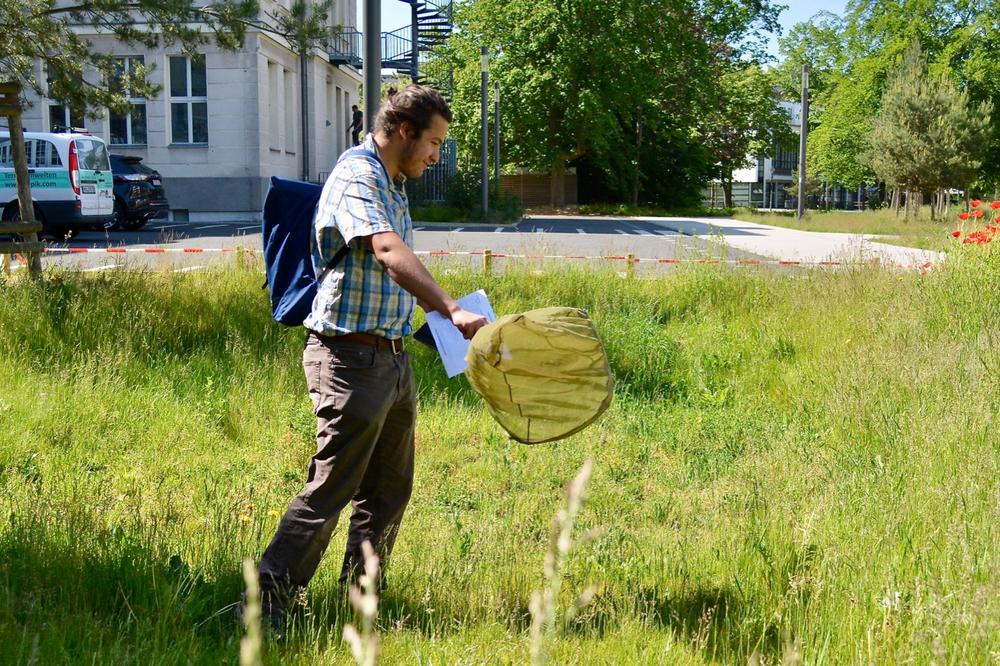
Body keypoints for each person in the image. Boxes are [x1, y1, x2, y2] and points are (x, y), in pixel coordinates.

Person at [253, 85, 488, 636]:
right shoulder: (358, 174)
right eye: (433, 142)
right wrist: (450, 308)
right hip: (348, 359)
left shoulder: (393, 184)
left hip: (391, 358)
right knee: (331, 488)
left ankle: (359, 601)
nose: (435, 155)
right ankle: (267, 607)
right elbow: (385, 251)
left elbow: (386, 273)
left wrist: (436, 326)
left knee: (387, 492)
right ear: (404, 130)